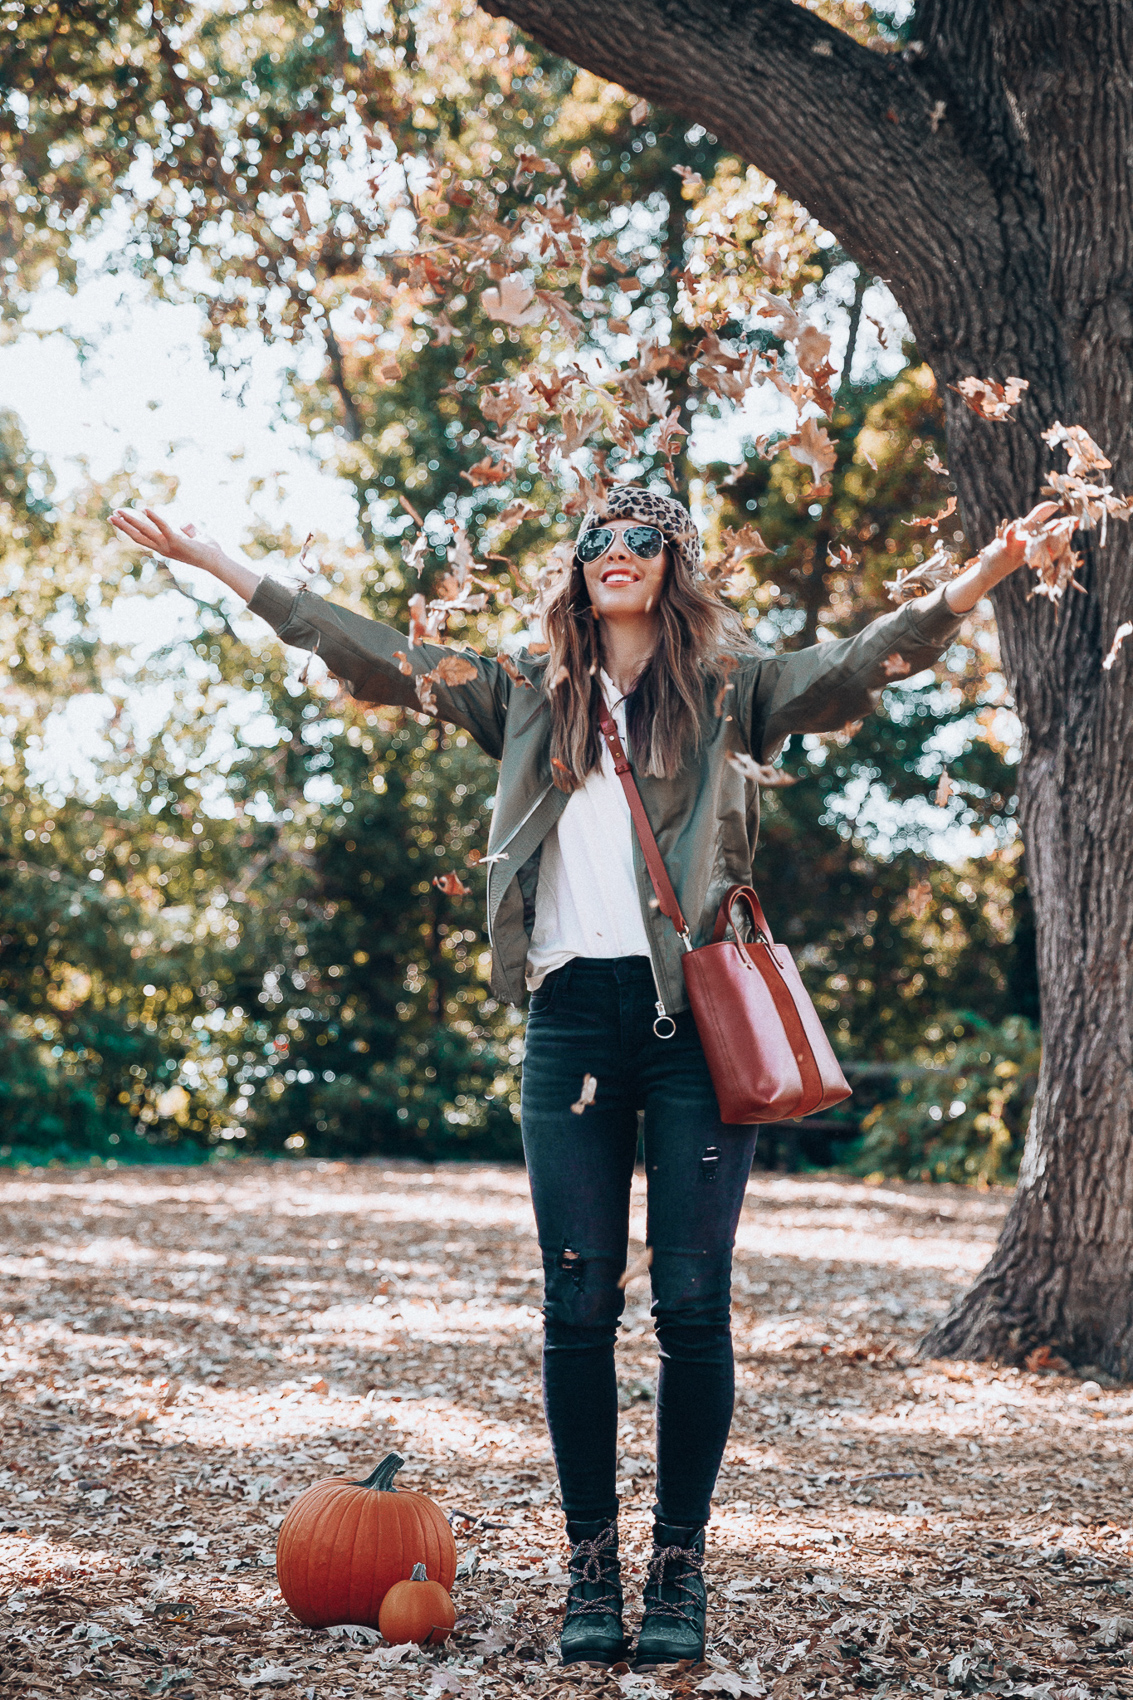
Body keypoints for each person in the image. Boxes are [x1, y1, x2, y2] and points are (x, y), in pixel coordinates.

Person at [110, 485, 1049, 1669]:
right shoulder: (520, 695)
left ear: (671, 562)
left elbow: (858, 665)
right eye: (597, 539)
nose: (615, 552)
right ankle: (590, 1566)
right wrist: (217, 557)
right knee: (576, 1304)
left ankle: (678, 1565)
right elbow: (368, 652)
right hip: (568, 1024)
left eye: (639, 537)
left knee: (693, 1304)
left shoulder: (729, 691)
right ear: (576, 566)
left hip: (690, 1028)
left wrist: (978, 573)